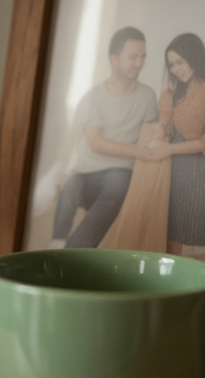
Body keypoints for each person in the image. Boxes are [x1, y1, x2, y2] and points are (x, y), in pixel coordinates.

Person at [49, 26, 158, 248]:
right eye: (132, 57)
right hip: (86, 171)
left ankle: (74, 252)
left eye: (142, 57)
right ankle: (56, 245)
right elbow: (95, 142)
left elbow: (150, 136)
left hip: (119, 173)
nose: (139, 63)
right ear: (114, 59)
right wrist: (62, 173)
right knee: (70, 188)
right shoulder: (94, 97)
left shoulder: (147, 96)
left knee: (117, 182)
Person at [144, 33, 205, 254]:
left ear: (194, 57)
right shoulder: (170, 93)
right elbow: (163, 128)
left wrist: (170, 149)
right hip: (165, 164)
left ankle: (172, 279)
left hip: (190, 167)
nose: (176, 69)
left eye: (180, 62)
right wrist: (162, 129)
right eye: (171, 65)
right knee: (161, 230)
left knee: (176, 234)